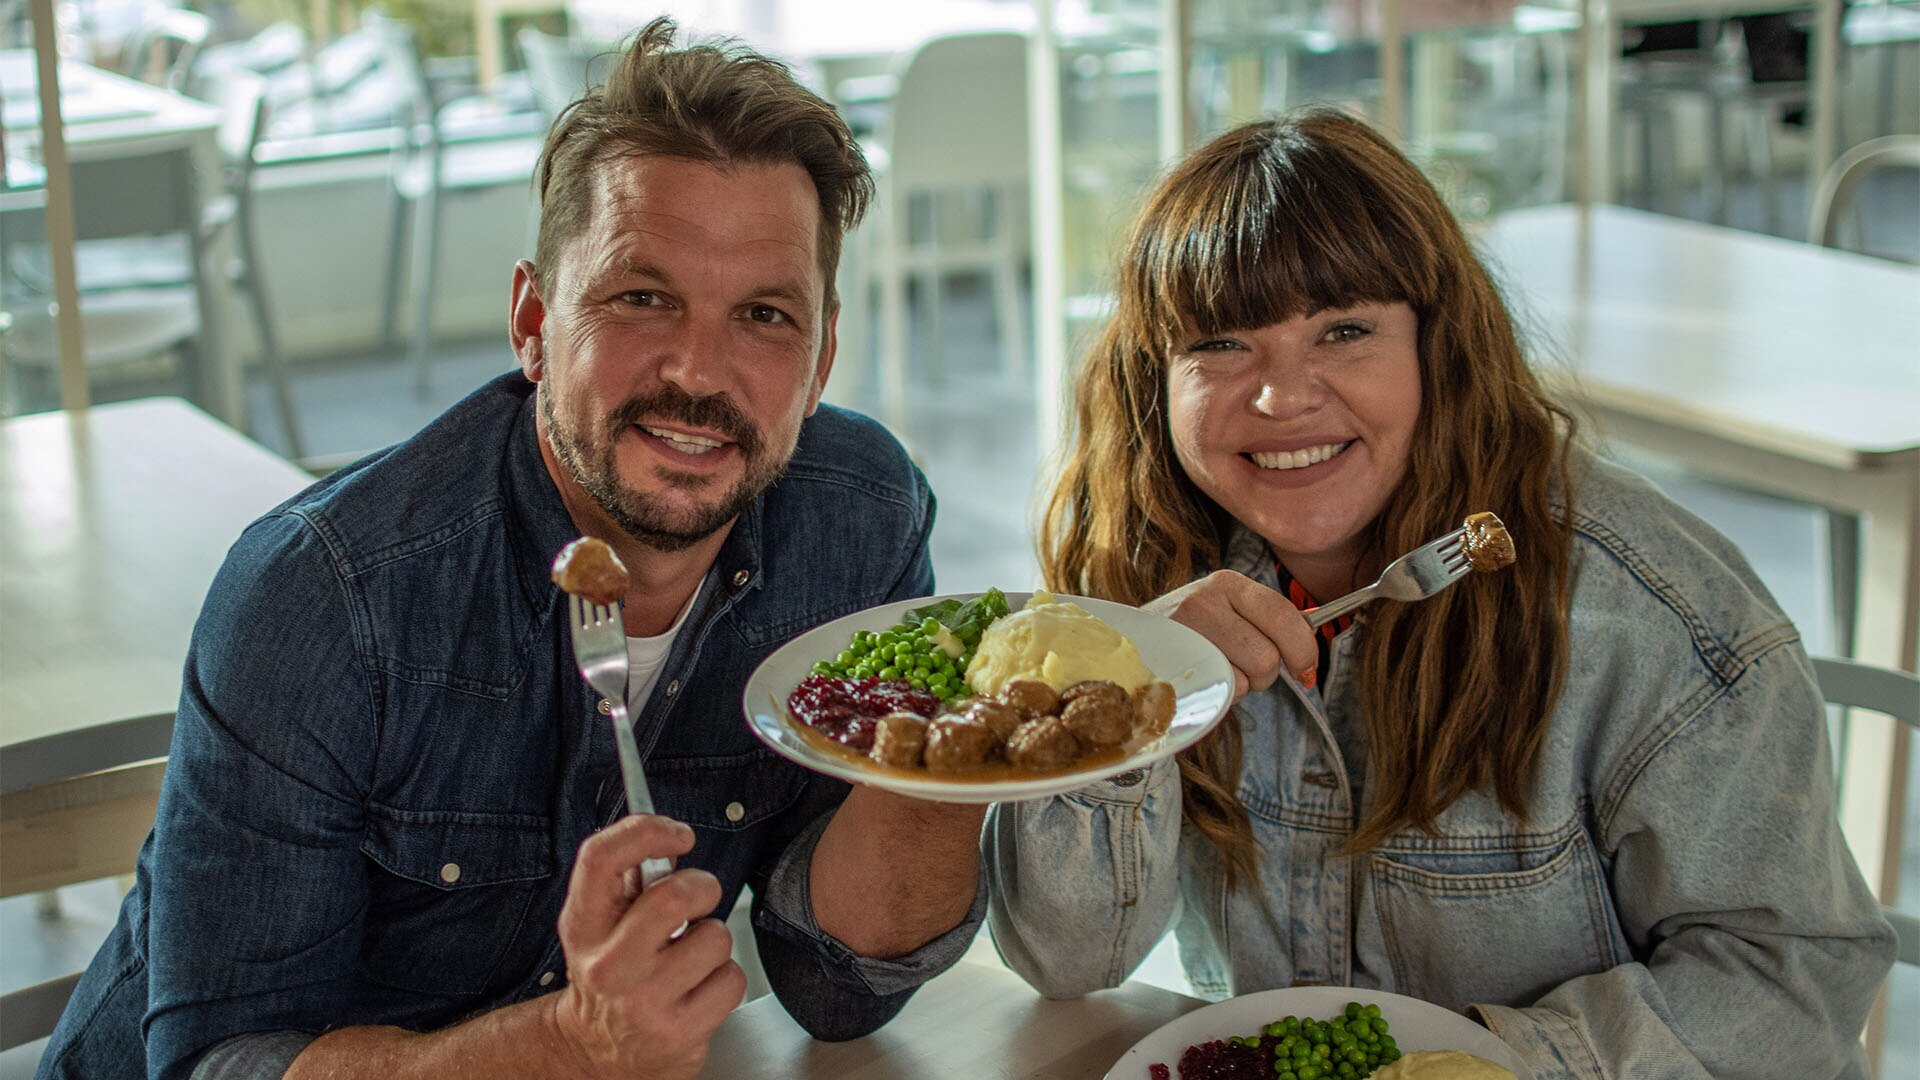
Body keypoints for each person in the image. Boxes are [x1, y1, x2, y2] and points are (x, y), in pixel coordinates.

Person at [41, 19, 989, 1080]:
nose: (697, 369)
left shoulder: (858, 525)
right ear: (534, 321)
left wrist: (954, 756)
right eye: (642, 297)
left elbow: (836, 987)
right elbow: (218, 1063)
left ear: (821, 359)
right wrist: (569, 1045)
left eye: (765, 315)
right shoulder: (326, 599)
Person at [984, 108, 1895, 1078]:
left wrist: (1480, 1062)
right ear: (1152, 379)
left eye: (1344, 331)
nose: (1282, 397)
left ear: (1439, 347)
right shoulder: (1143, 577)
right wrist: (1124, 705)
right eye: (1220, 343)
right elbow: (1066, 959)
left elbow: (1795, 982)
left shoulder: (1651, 614)